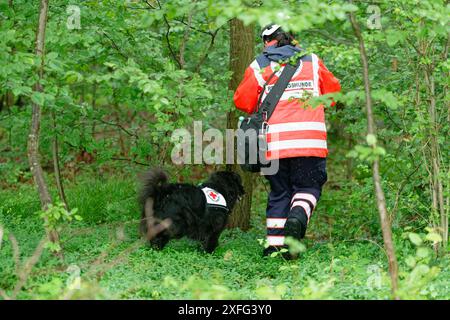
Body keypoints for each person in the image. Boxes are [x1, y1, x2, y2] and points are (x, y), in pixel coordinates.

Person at [233, 24, 341, 258]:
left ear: (266, 41)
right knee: (308, 186)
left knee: (279, 191)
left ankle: (274, 247)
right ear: (292, 38)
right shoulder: (312, 61)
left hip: (274, 144)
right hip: (309, 142)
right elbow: (333, 94)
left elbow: (242, 102)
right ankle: (297, 218)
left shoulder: (259, 65)